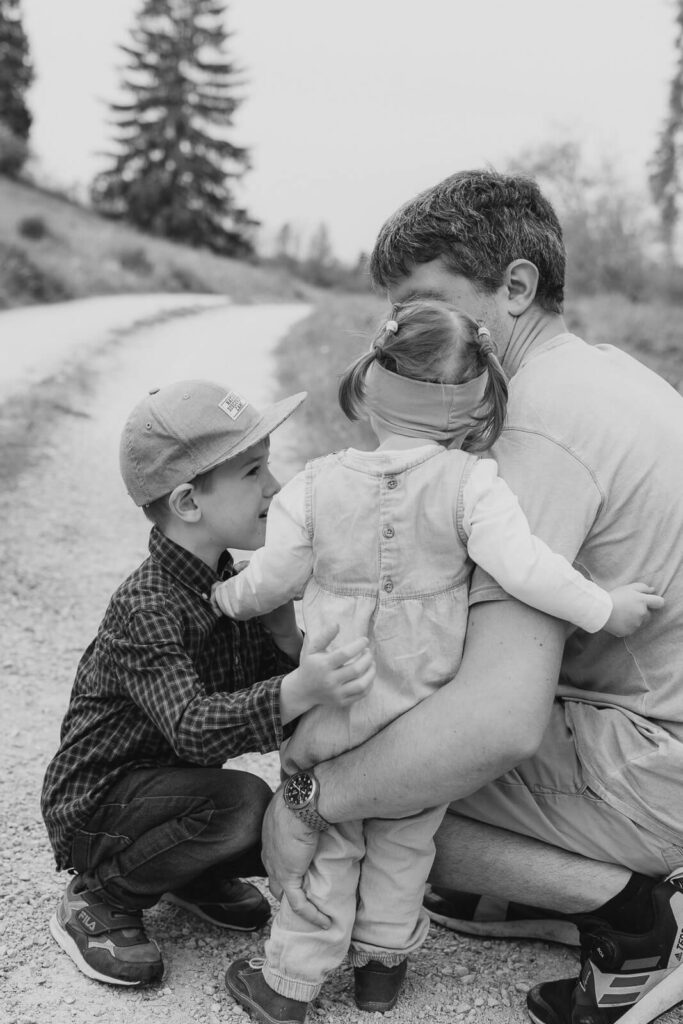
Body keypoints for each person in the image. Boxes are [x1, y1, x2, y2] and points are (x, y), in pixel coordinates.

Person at [257, 171, 683, 1024]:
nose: (396, 335)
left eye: (418, 303)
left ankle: (634, 914)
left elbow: (496, 722)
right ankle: (523, 887)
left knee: (355, 766)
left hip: (653, 769)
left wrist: (309, 797)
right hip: (649, 730)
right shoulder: (604, 376)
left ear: (515, 286)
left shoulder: (531, 429)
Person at [40, 378, 375, 988]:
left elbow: (280, 716)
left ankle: (186, 872)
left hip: (172, 793)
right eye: (252, 472)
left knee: (283, 817)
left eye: (268, 465)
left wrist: (285, 637)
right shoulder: (147, 605)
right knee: (239, 804)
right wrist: (302, 687)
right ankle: (99, 896)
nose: (275, 487)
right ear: (189, 503)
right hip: (99, 806)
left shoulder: (234, 590)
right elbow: (195, 730)